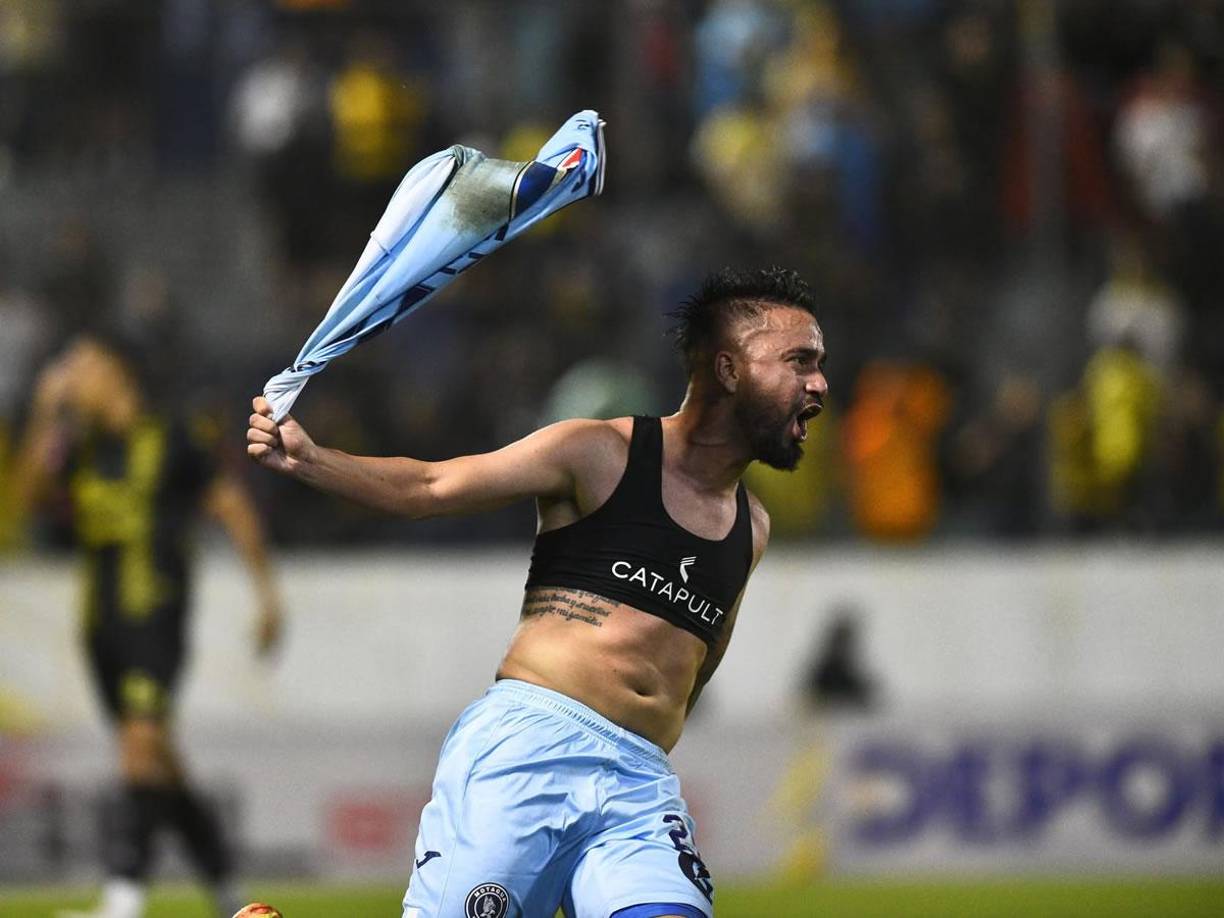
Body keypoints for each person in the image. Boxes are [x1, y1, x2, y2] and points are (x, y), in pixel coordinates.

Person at [247, 265, 828, 918]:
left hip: (639, 782)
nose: (819, 385)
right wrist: (310, 458)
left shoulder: (753, 526)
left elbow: (698, 662)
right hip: (530, 752)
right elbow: (432, 487)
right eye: (798, 362)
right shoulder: (598, 452)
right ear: (728, 370)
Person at [12, 332, 284, 918]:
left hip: (155, 620)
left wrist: (267, 597)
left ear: (116, 371)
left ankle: (122, 900)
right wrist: (43, 411)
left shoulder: (174, 433)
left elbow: (230, 506)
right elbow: (27, 496)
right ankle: (228, 892)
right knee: (160, 763)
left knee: (139, 748)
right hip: (100, 627)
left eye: (80, 365)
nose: (70, 378)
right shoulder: (81, 445)